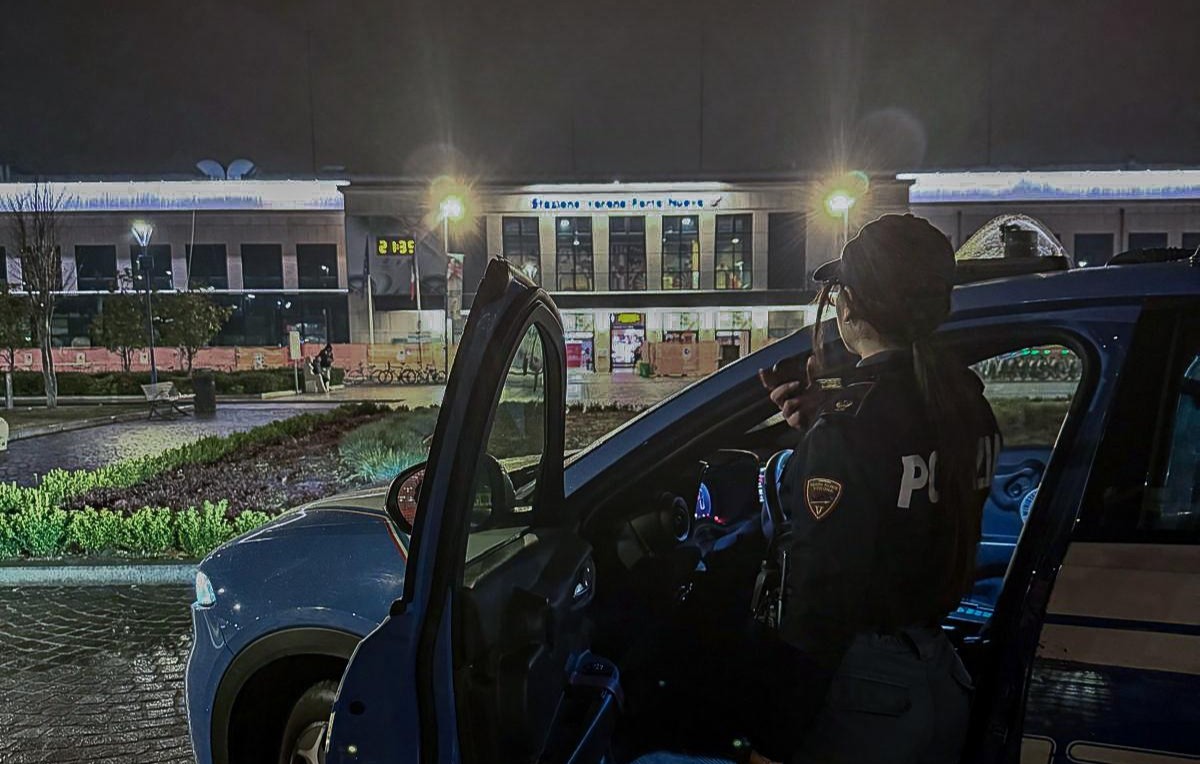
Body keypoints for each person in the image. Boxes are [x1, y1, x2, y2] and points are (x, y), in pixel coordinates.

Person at [745, 213, 1001, 764]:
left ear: (852, 304)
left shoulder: (852, 425)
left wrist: (776, 733)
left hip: (867, 694)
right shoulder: (968, 405)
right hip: (938, 676)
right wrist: (826, 419)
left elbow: (822, 592)